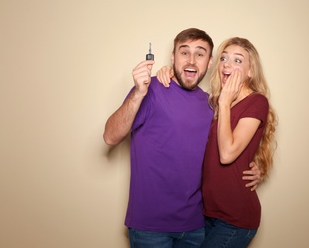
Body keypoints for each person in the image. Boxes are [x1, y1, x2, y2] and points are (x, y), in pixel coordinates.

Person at [103, 28, 261, 248]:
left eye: (200, 54)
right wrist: (138, 93)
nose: (192, 60)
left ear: (210, 62)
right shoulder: (151, 90)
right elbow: (110, 137)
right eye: (184, 52)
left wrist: (254, 167)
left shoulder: (213, 105)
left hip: (197, 226)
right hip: (150, 226)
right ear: (173, 57)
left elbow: (227, 149)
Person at [157, 37, 277, 247]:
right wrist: (168, 72)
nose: (227, 64)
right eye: (223, 58)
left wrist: (224, 103)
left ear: (250, 71)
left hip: (235, 219)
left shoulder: (256, 102)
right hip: (207, 214)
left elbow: (227, 153)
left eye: (238, 60)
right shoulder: (212, 102)